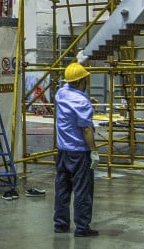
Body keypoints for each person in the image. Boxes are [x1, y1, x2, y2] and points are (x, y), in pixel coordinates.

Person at [54, 61, 98, 238]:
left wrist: (87, 99)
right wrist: (93, 151)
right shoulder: (82, 102)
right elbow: (86, 129)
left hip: (62, 150)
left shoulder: (60, 94)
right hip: (79, 152)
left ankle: (60, 224)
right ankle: (82, 228)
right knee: (82, 190)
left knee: (63, 188)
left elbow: (70, 90)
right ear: (81, 82)